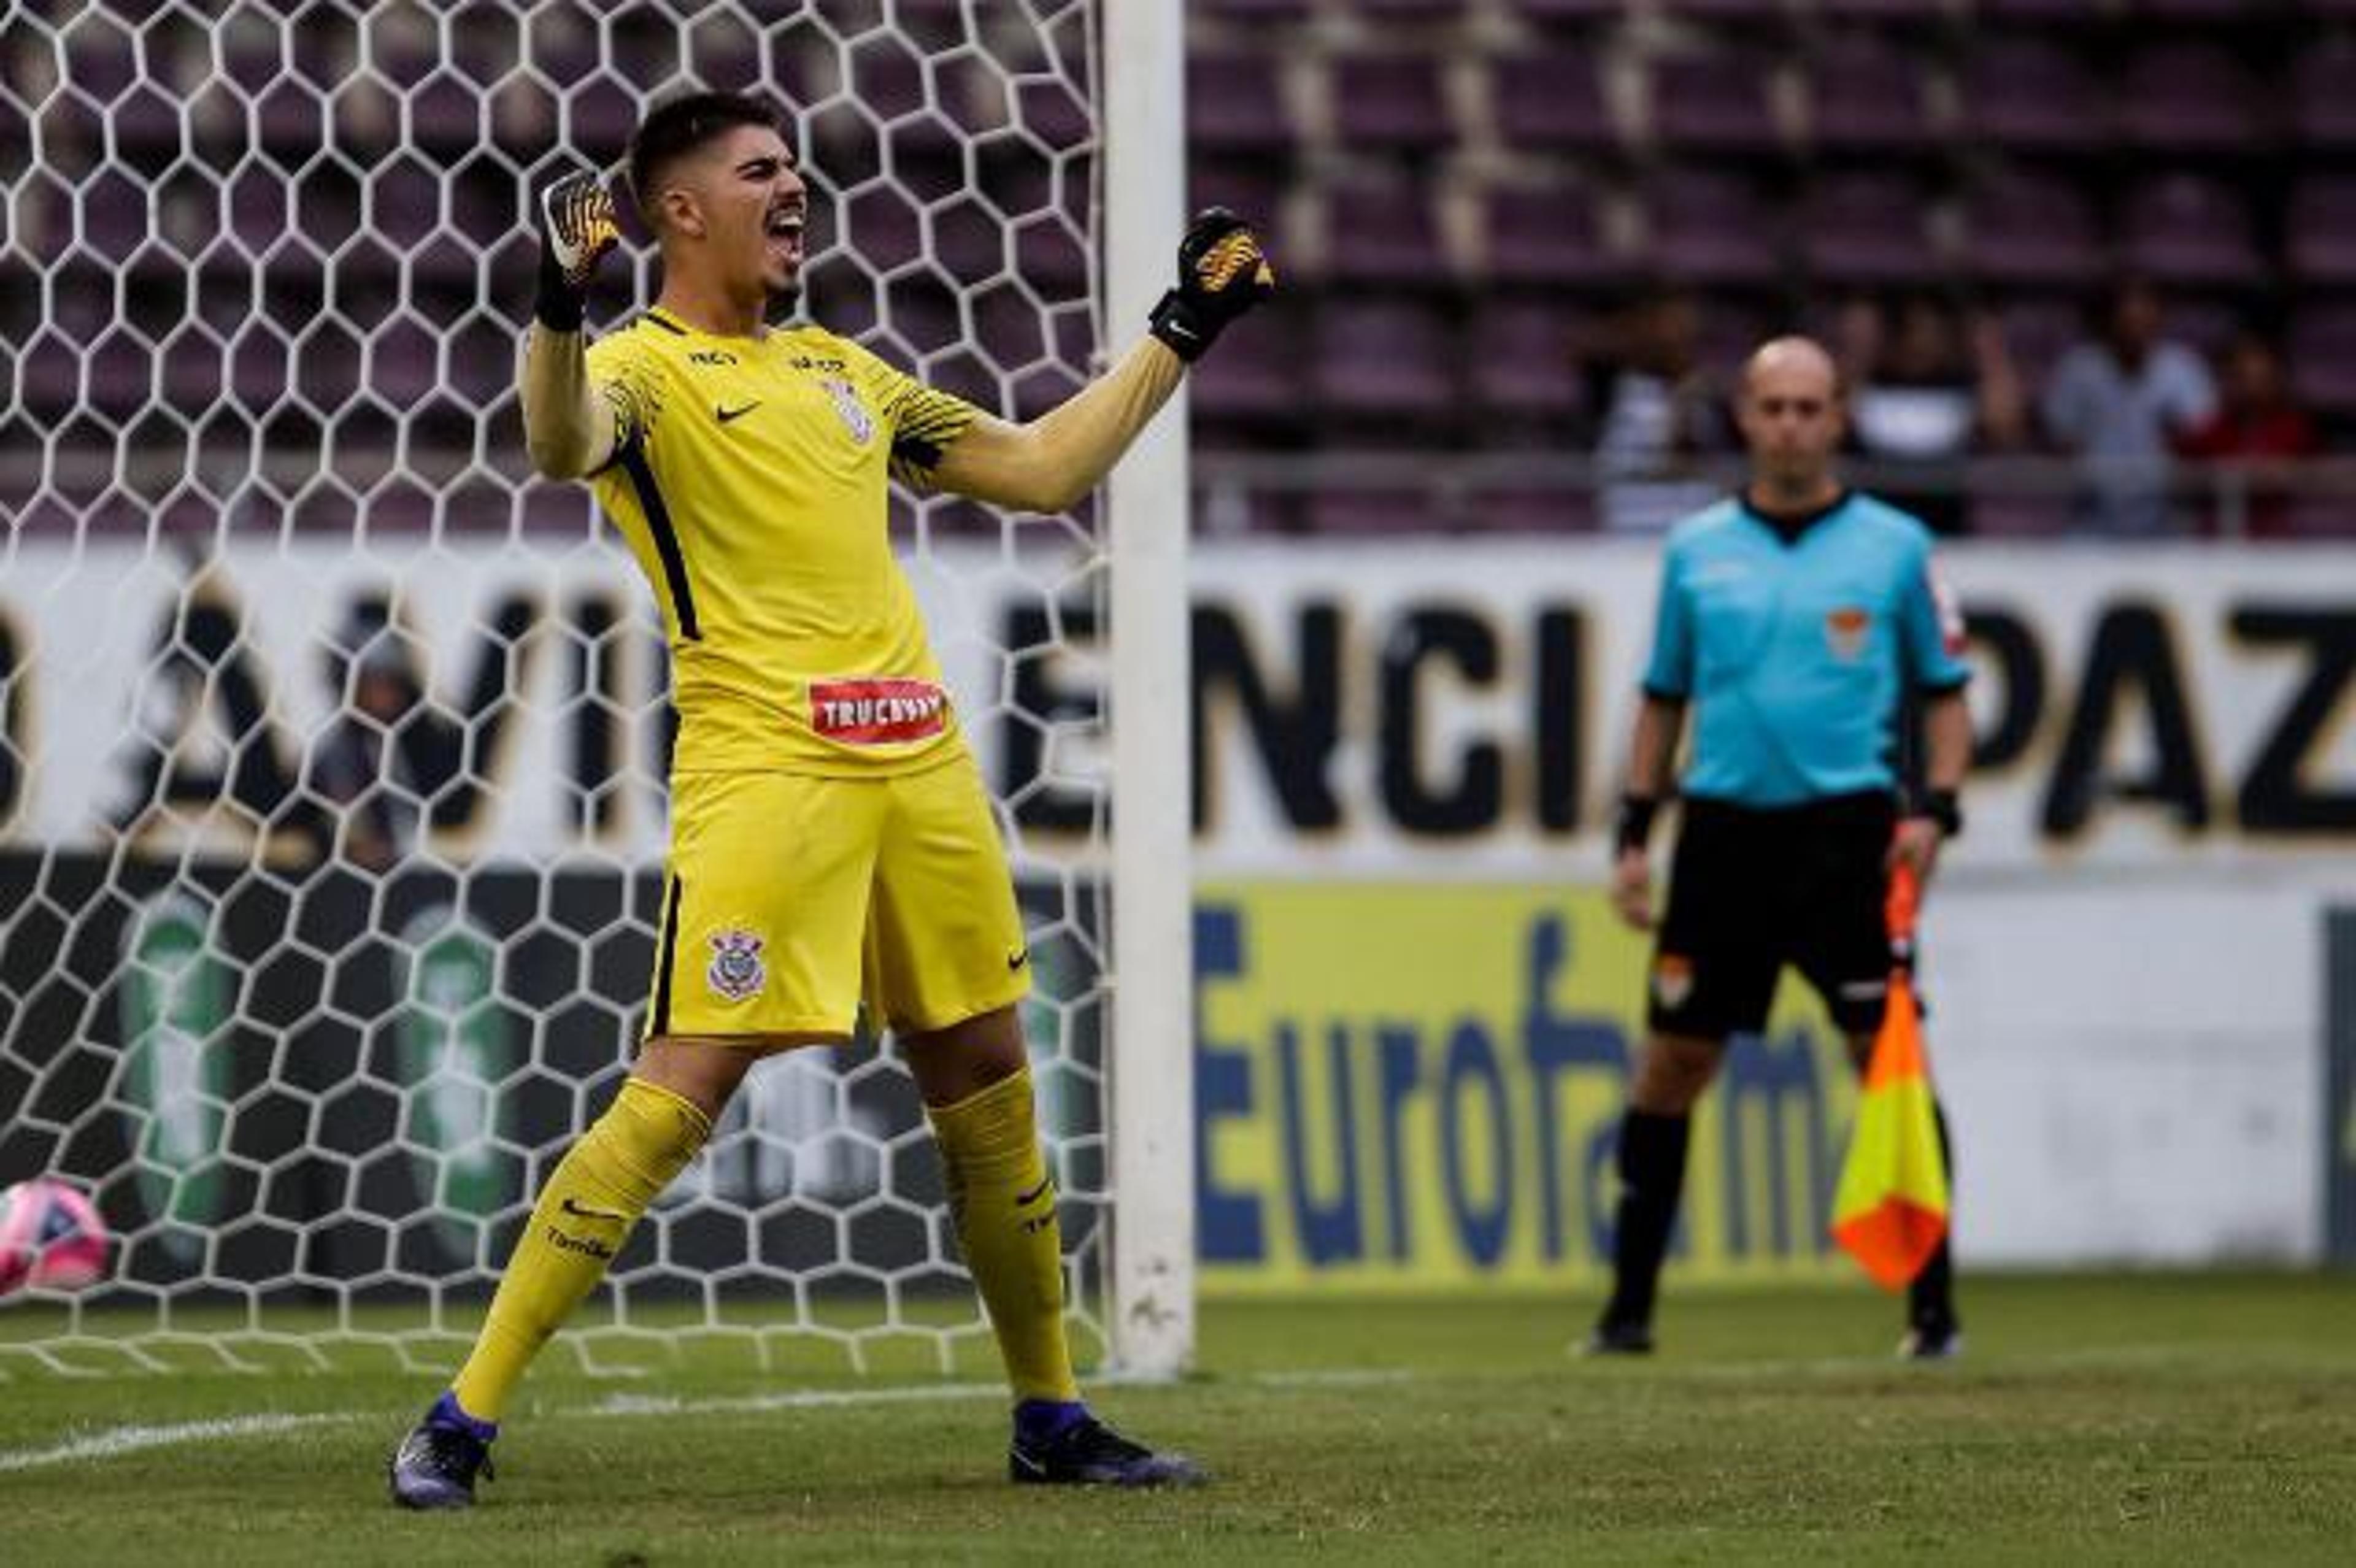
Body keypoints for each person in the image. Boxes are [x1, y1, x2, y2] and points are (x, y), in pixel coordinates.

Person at [388, 90, 1272, 1507]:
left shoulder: (848, 375)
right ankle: (461, 1414)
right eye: (757, 171)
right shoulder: (641, 369)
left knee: (987, 1081)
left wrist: (1179, 331)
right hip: (766, 769)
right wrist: (555, 301)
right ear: (680, 211)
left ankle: (1050, 1413)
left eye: (795, 166)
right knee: (681, 1092)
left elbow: (1041, 472)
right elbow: (558, 443)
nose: (790, 186)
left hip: (918, 762)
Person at [1585, 337, 1974, 1361]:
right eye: (1774, 406)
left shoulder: (1896, 547)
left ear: (1840, 417)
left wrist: (1935, 809)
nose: (1792, 424)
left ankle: (1933, 1312)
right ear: (1747, 418)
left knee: (1886, 1063)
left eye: (1811, 407)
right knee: (1671, 1063)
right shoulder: (1696, 548)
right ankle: (1627, 1317)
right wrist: (1635, 832)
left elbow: (1946, 695)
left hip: (1848, 838)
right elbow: (1661, 700)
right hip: (1722, 837)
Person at [1839, 293, 2026, 536]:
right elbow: (1835, 423)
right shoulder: (1870, 384)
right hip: (1874, 535)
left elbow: (2006, 428)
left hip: (1948, 538)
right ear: (1894, 338)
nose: (1922, 342)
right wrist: (1858, 350)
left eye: (1933, 332)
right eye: (1913, 331)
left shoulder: (1960, 386)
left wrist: (1990, 350)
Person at [2040, 277, 2217, 536]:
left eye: (2144, 322)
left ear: (2158, 322)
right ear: (2110, 323)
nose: (2135, 331)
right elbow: (2060, 439)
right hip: (2094, 513)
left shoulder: (2182, 370)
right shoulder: (2080, 370)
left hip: (2166, 513)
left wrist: (2180, 439)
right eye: (2128, 322)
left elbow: (2206, 441)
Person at [1588, 290, 1736, 534]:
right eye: (1670, 331)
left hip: (1691, 533)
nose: (1679, 342)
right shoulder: (1620, 394)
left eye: (1686, 335)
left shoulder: (1701, 399)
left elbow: (1715, 466)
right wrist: (1681, 410)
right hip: (1633, 532)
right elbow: (1661, 462)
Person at [2174, 330, 2322, 539]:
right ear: (2228, 380)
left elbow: (2317, 480)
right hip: (2217, 542)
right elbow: (2186, 477)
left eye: (2262, 379)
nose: (2252, 389)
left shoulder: (2296, 430)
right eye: (2244, 378)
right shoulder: (2209, 429)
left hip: (2283, 544)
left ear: (2277, 380)